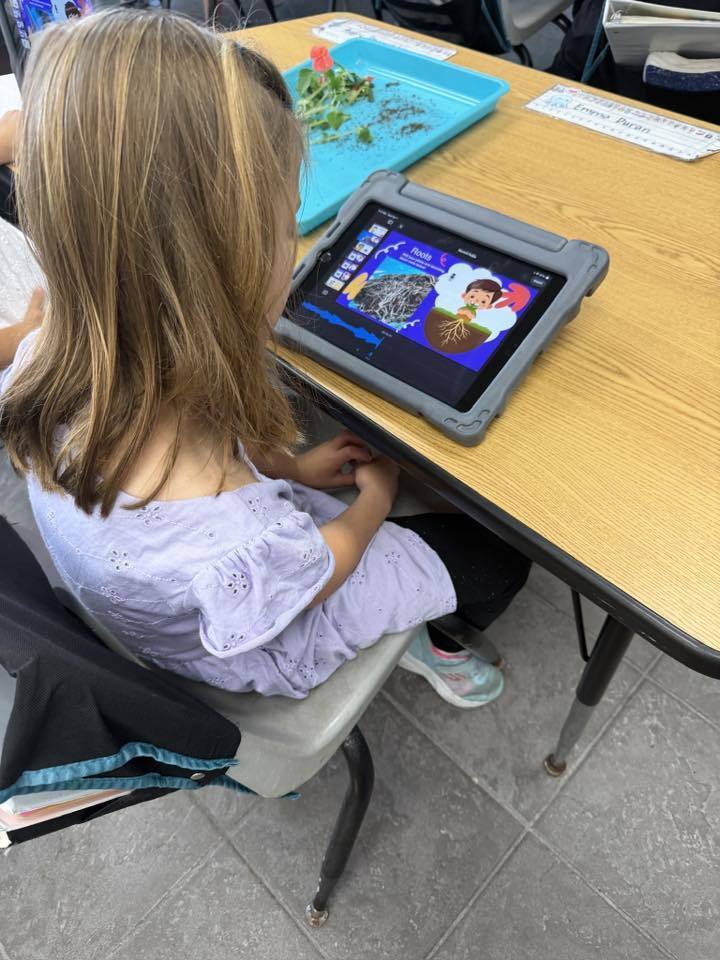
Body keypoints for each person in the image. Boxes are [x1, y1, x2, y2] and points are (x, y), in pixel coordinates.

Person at [0, 10, 531, 709]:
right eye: (286, 229)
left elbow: (210, 422)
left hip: (168, 600)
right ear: (217, 278)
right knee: (500, 560)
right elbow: (321, 570)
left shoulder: (43, 353)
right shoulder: (232, 539)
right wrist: (375, 499)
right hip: (259, 630)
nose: (297, 249)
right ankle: (435, 641)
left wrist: (289, 468)